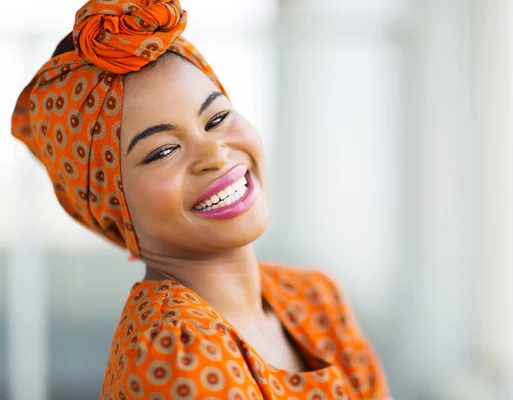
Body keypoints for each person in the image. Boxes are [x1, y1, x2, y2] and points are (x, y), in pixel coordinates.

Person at [11, 1, 390, 398]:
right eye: (161, 151)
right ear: (112, 205)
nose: (214, 154)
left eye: (217, 119)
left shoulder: (314, 297)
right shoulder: (173, 344)